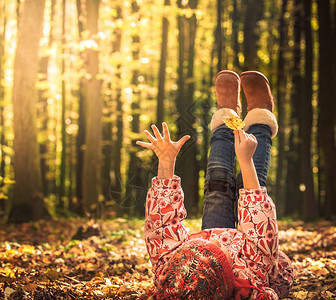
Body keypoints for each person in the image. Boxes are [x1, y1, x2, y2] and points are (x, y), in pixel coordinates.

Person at [136, 71, 294, 299]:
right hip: (251, 249)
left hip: (215, 249)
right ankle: (261, 119)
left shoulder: (171, 271)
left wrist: (166, 162)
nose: (218, 244)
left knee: (216, 186)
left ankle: (226, 116)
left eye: (201, 247)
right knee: (250, 181)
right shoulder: (251, 273)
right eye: (218, 251)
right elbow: (259, 216)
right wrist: (246, 160)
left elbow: (161, 224)